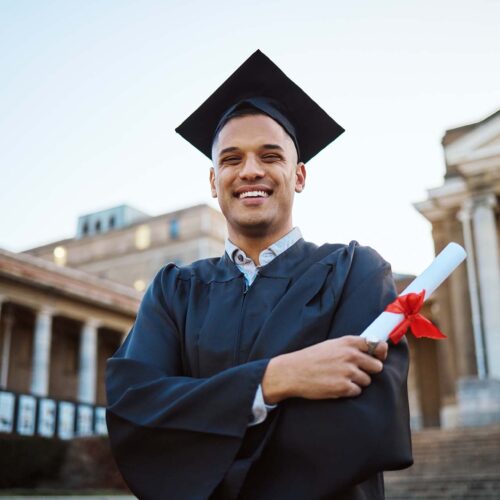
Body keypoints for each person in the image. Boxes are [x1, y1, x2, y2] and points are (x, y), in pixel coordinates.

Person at [106, 50, 413, 500]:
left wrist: (205, 428)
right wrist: (275, 379)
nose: (250, 170)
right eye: (231, 159)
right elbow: (136, 409)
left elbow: (363, 424)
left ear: (299, 174)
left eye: (270, 155)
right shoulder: (174, 291)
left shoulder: (356, 272)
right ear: (214, 181)